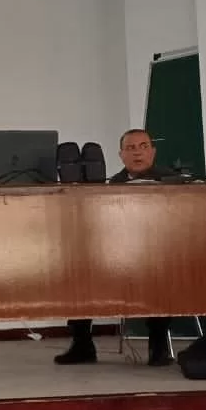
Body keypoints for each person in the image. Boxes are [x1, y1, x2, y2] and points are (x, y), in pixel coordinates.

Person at [54, 129, 178, 366]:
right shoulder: (110, 186)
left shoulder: (173, 183)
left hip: (156, 256)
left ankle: (159, 346)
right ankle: (82, 344)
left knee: (160, 270)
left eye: (143, 146)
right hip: (116, 257)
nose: (137, 153)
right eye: (130, 148)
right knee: (79, 270)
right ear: (121, 155)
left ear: (153, 152)